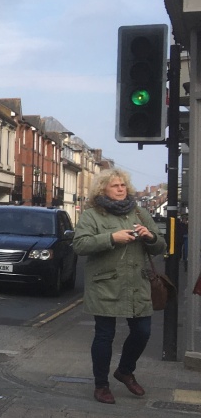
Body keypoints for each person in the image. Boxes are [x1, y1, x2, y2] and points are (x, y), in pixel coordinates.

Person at [73, 168, 165, 404]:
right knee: (105, 336)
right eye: (115, 185)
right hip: (105, 285)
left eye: (123, 185)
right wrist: (111, 238)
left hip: (137, 285)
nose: (121, 189)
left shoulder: (139, 212)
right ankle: (101, 385)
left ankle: (125, 370)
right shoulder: (92, 215)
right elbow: (80, 245)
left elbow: (160, 246)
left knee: (143, 331)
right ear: (103, 189)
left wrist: (150, 237)